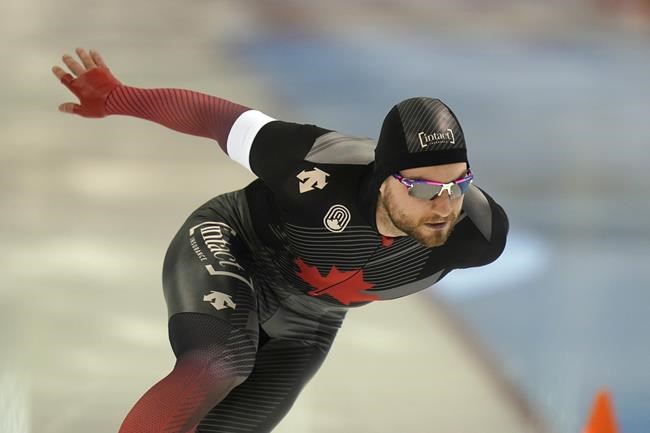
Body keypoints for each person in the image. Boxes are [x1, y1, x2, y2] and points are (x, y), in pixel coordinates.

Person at [52, 47, 509, 433]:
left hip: (311, 318)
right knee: (218, 363)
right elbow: (215, 118)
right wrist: (117, 96)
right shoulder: (319, 165)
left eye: (458, 183)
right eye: (425, 188)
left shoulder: (477, 236)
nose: (445, 205)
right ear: (383, 177)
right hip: (235, 245)